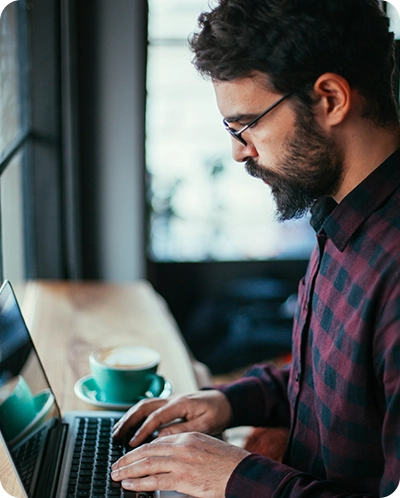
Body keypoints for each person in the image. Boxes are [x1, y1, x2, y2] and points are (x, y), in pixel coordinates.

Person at [111, 0, 400, 496]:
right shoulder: (345, 212)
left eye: (245, 125)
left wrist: (231, 475)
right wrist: (231, 402)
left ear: (330, 98)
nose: (238, 151)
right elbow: (331, 389)